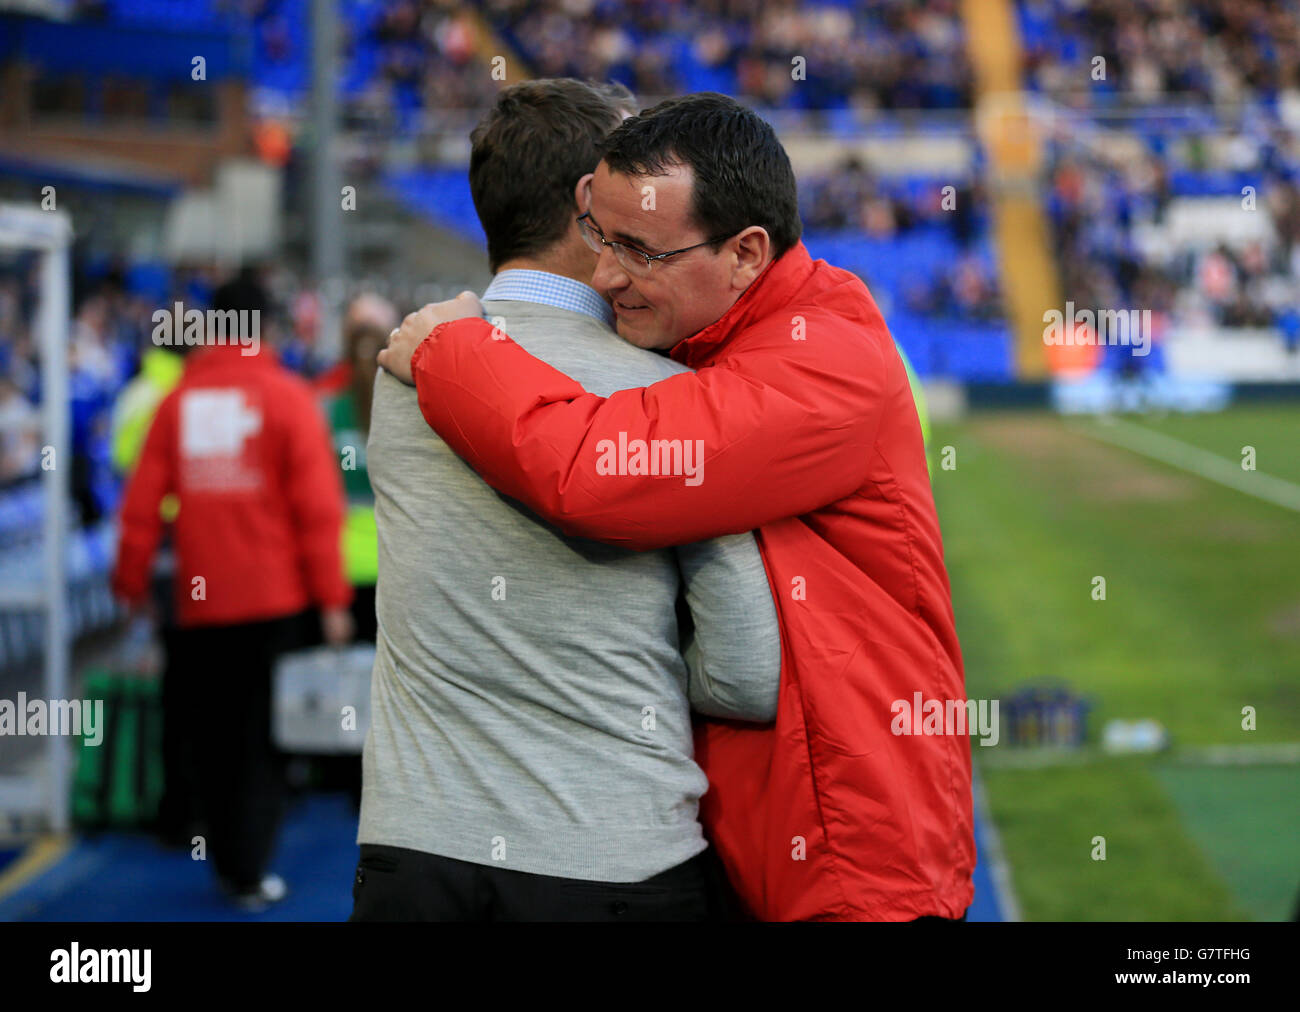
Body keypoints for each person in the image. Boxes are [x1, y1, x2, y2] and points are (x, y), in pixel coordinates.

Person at [381, 92, 974, 921]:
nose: (606, 275)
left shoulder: (823, 362)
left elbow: (594, 471)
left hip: (847, 852)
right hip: (766, 825)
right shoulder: (721, 338)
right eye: (598, 236)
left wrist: (455, 349)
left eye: (640, 251)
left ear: (745, 253)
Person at [353, 79, 780, 922]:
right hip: (614, 852)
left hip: (416, 850)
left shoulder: (405, 367)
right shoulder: (672, 394)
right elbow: (749, 673)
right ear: (594, 200)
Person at [111, 268, 353, 911]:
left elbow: (138, 507)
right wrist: (331, 600)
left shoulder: (177, 402)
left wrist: (131, 582)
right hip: (274, 605)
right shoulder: (287, 398)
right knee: (260, 741)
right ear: (267, 326)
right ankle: (246, 869)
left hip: (199, 606)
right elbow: (318, 512)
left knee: (208, 734)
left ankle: (224, 856)